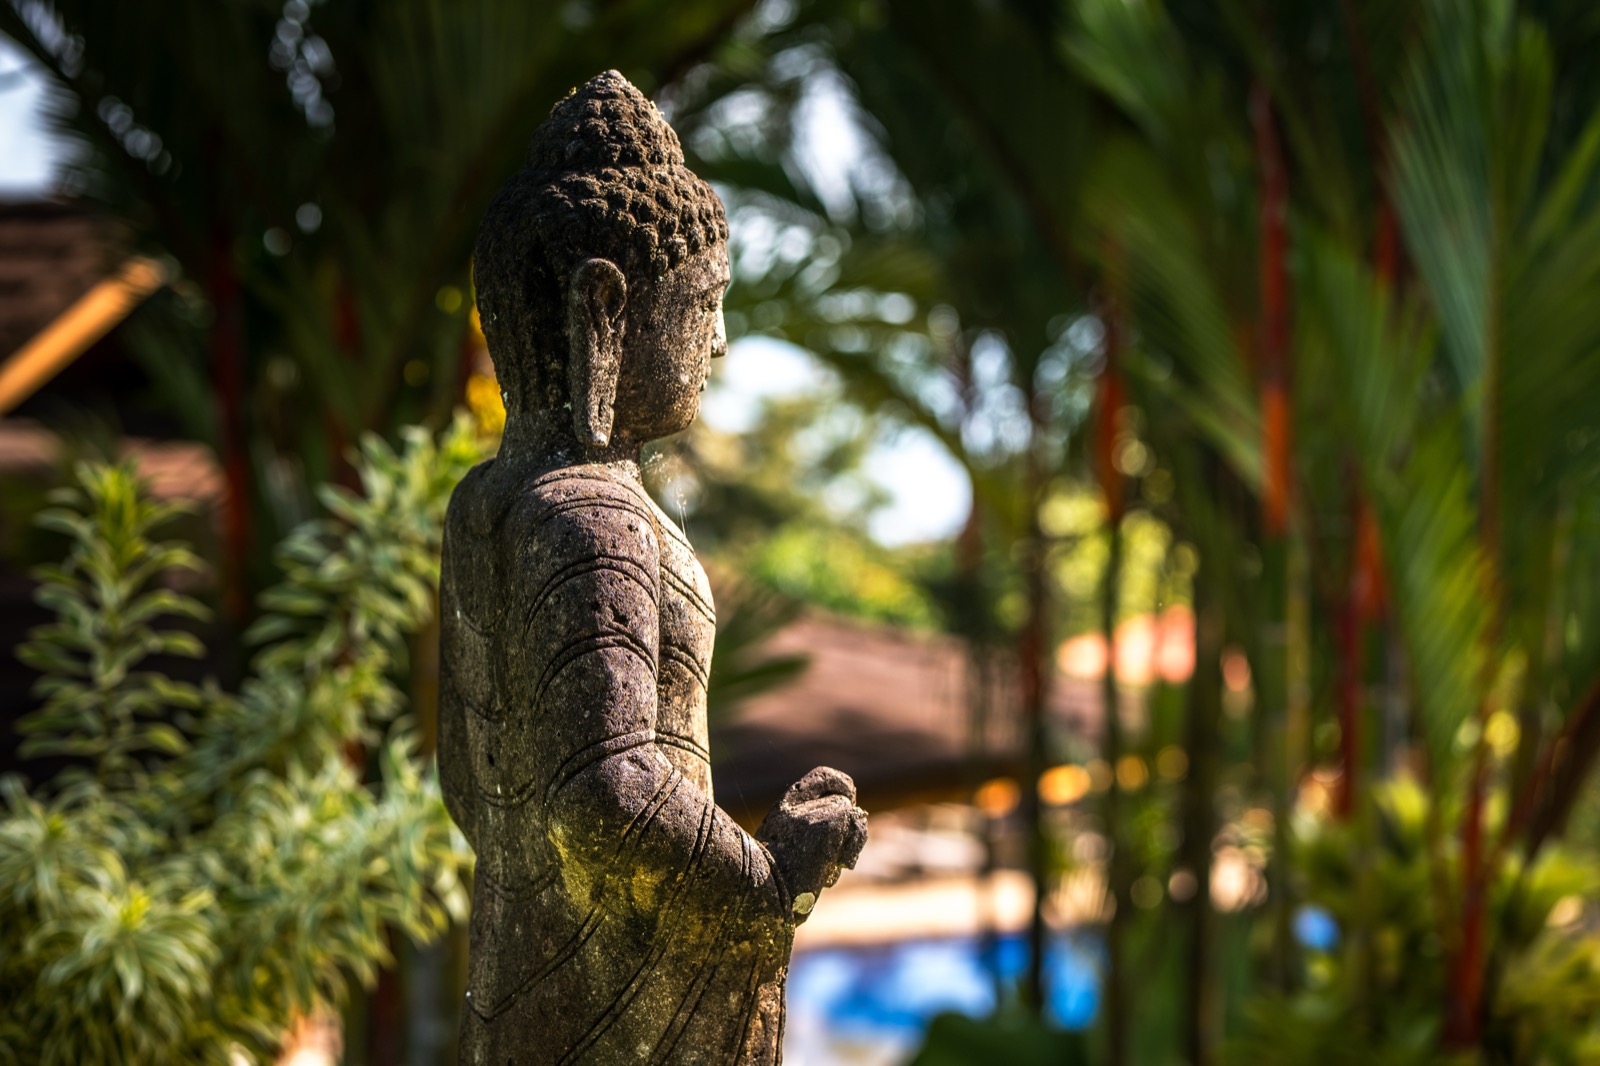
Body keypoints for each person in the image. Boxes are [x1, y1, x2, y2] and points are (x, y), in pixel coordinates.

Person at [438, 70, 866, 1065]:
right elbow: (607, 788)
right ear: (607, 307)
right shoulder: (595, 519)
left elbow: (467, 778)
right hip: (621, 1006)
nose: (719, 342)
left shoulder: (482, 505)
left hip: (517, 978)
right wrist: (772, 876)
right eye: (706, 305)